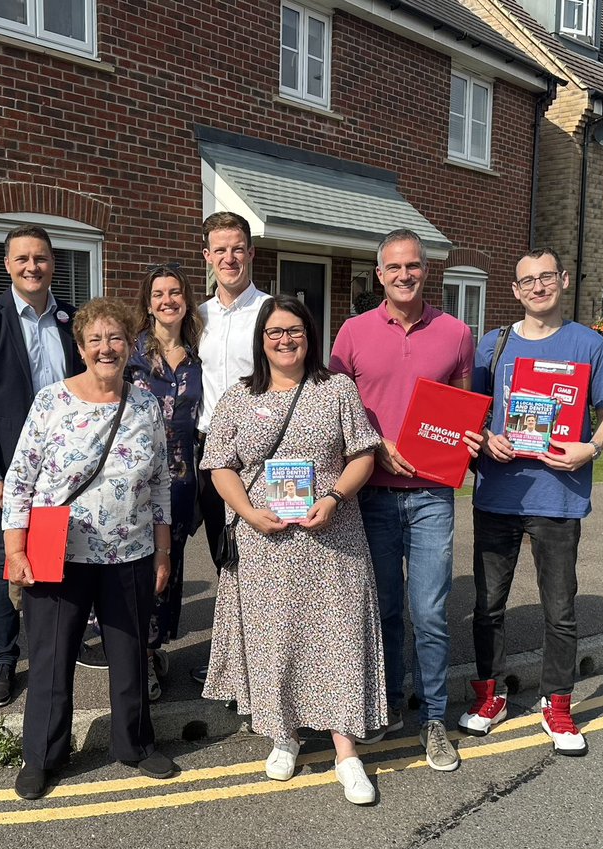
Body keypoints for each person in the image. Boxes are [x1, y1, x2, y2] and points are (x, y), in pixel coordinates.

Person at [201, 295, 386, 806]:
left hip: (332, 537)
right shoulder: (239, 397)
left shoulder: (337, 390)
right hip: (266, 541)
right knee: (275, 639)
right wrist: (249, 512)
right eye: (274, 332)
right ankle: (283, 734)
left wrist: (334, 497)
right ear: (261, 341)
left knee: (337, 639)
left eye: (295, 331)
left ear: (310, 335)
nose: (285, 340)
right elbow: (220, 465)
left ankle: (346, 752)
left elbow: (362, 454)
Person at [4, 298, 177, 800]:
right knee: (52, 658)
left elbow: (162, 481)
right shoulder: (51, 402)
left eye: (116, 338)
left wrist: (163, 551)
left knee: (130, 657)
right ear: (79, 348)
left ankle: (136, 745)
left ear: (130, 346)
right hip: (58, 551)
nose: (107, 348)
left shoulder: (144, 402)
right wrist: (17, 550)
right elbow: (20, 481)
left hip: (131, 552)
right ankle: (42, 755)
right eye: (96, 340)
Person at [329, 228, 481, 773]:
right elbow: (337, 410)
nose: (404, 275)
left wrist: (470, 437)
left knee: (431, 612)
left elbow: (464, 407)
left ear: (426, 270)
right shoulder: (351, 333)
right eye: (393, 268)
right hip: (371, 496)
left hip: (433, 495)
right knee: (386, 610)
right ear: (380, 275)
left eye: (412, 266)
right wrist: (376, 443)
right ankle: (390, 701)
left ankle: (434, 719)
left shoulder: (458, 333)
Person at [460, 248, 603, 757]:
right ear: (515, 290)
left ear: (563, 280)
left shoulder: (589, 344)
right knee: (487, 607)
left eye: (546, 277)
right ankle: (490, 696)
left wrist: (590, 447)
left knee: (561, 610)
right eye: (527, 280)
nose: (537, 287)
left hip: (559, 497)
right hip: (498, 495)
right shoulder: (493, 345)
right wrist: (485, 439)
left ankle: (559, 705)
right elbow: (473, 415)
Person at [0, 225, 82, 708]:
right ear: (6, 265)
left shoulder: (73, 319)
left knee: (63, 555)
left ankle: (59, 649)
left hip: (68, 469)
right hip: (12, 469)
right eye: (22, 259)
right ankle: (3, 659)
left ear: (53, 263)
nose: (33, 267)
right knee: (6, 560)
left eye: (42, 258)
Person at [191, 211, 271, 684]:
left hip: (257, 453)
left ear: (251, 253)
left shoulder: (268, 312)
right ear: (207, 256)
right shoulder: (197, 317)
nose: (229, 257)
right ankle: (234, 660)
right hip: (208, 454)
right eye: (219, 249)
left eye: (237, 247)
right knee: (225, 558)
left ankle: (261, 662)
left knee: (259, 557)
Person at [126, 263, 204, 701]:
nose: (167, 300)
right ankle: (138, 656)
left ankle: (155, 648)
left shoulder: (197, 355)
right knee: (138, 568)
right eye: (159, 293)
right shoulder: (132, 354)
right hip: (137, 482)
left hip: (183, 482)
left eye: (175, 292)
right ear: (148, 301)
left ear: (186, 299)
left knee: (168, 569)